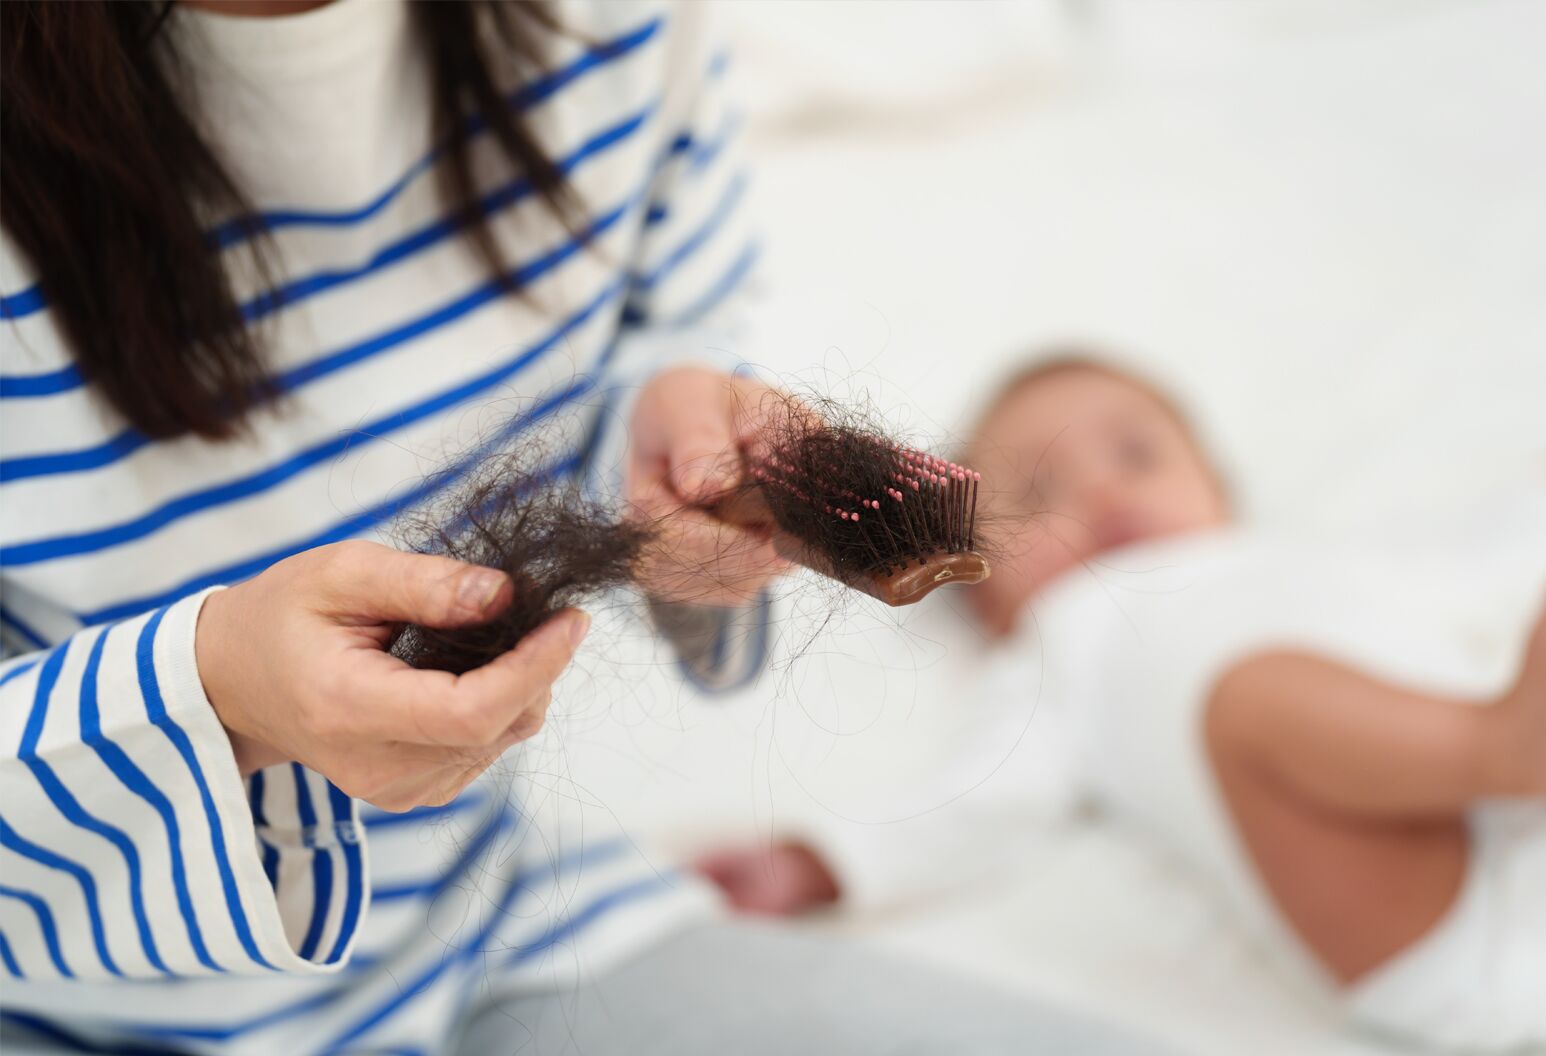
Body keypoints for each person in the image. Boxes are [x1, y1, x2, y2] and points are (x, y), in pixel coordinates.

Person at [0, 3, 1167, 1053]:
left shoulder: (609, 26)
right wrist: (215, 699)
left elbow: (663, 336)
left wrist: (662, 441)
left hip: (499, 940)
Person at [698, 355, 1546, 1051]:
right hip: (1425, 914)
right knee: (1251, 701)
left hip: (1522, 831)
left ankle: (1501, 746)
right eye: (1035, 495)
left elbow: (1481, 574)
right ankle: (1500, 748)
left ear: (1217, 488)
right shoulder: (1060, 644)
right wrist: (823, 863)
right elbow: (974, 800)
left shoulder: (1312, 564)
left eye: (1137, 456)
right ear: (980, 587)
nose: (1100, 493)